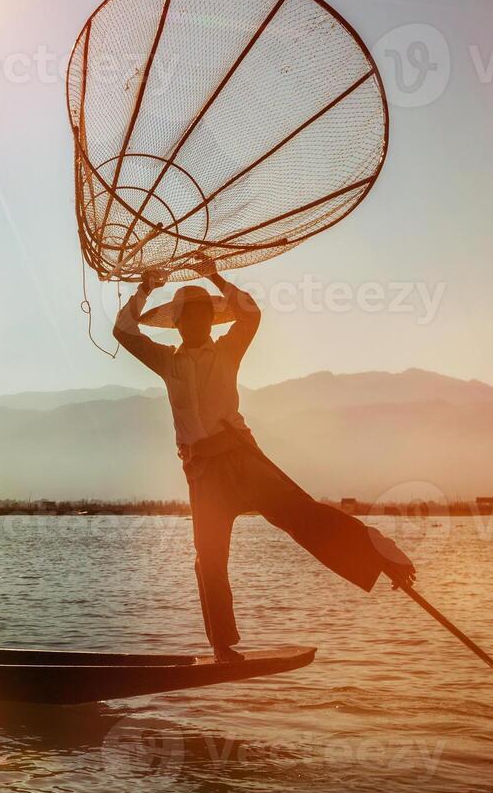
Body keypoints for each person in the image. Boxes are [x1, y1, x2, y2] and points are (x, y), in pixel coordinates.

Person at [114, 264, 415, 662]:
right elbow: (123, 331)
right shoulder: (168, 361)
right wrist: (145, 288)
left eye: (205, 314)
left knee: (299, 515)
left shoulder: (227, 350)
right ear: (180, 322)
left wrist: (217, 278)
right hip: (202, 474)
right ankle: (222, 646)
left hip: (241, 458)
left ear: (211, 318)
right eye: (191, 316)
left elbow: (252, 314)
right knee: (209, 557)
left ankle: (380, 555)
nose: (198, 322)